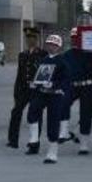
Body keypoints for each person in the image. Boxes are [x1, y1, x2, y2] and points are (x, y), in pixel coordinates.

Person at [25, 34, 71, 164]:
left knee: (53, 122)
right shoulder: (43, 59)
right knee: (33, 110)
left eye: (54, 45)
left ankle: (52, 152)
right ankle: (33, 138)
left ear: (59, 47)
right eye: (50, 44)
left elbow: (66, 80)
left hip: (55, 95)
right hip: (42, 92)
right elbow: (39, 76)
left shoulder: (62, 61)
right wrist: (35, 83)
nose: (51, 47)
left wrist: (55, 85)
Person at [7, 27, 47, 149]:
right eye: (28, 38)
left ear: (37, 39)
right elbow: (20, 75)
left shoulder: (43, 54)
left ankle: (35, 141)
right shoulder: (22, 55)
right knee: (16, 112)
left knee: (36, 114)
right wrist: (16, 91)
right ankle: (13, 140)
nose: (30, 41)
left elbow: (45, 73)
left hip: (36, 89)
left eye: (33, 38)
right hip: (24, 89)